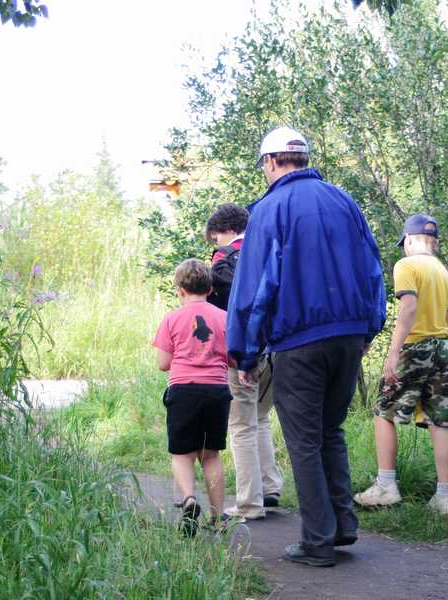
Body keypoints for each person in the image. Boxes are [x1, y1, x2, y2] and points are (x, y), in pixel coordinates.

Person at [227, 126, 387, 567]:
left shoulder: (269, 209)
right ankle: (342, 525)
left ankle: (317, 542)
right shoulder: (343, 200)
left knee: (303, 441)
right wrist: (369, 329)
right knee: (330, 431)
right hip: (349, 336)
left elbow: (253, 289)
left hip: (299, 340)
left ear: (271, 161)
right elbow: (373, 269)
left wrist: (245, 353)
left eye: (263, 165)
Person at [353, 214, 448, 516]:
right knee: (440, 421)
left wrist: (394, 352)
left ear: (410, 240)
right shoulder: (444, 273)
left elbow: (409, 307)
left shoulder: (407, 265)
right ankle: (445, 499)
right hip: (443, 347)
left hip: (413, 346)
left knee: (384, 411)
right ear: (434, 242)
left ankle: (386, 485)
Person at [205, 203, 283, 521]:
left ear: (225, 230)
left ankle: (249, 503)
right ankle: (270, 487)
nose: (216, 244)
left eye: (215, 238)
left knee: (241, 425)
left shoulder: (224, 258)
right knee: (261, 417)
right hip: (276, 348)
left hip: (242, 352)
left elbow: (229, 307)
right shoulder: (269, 248)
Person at [153, 258, 232, 536]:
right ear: (210, 289)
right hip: (216, 391)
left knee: (182, 454)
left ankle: (188, 500)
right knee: (210, 455)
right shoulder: (224, 317)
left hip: (183, 391)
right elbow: (233, 357)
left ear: (180, 290)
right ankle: (218, 518)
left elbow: (163, 363)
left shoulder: (172, 318)